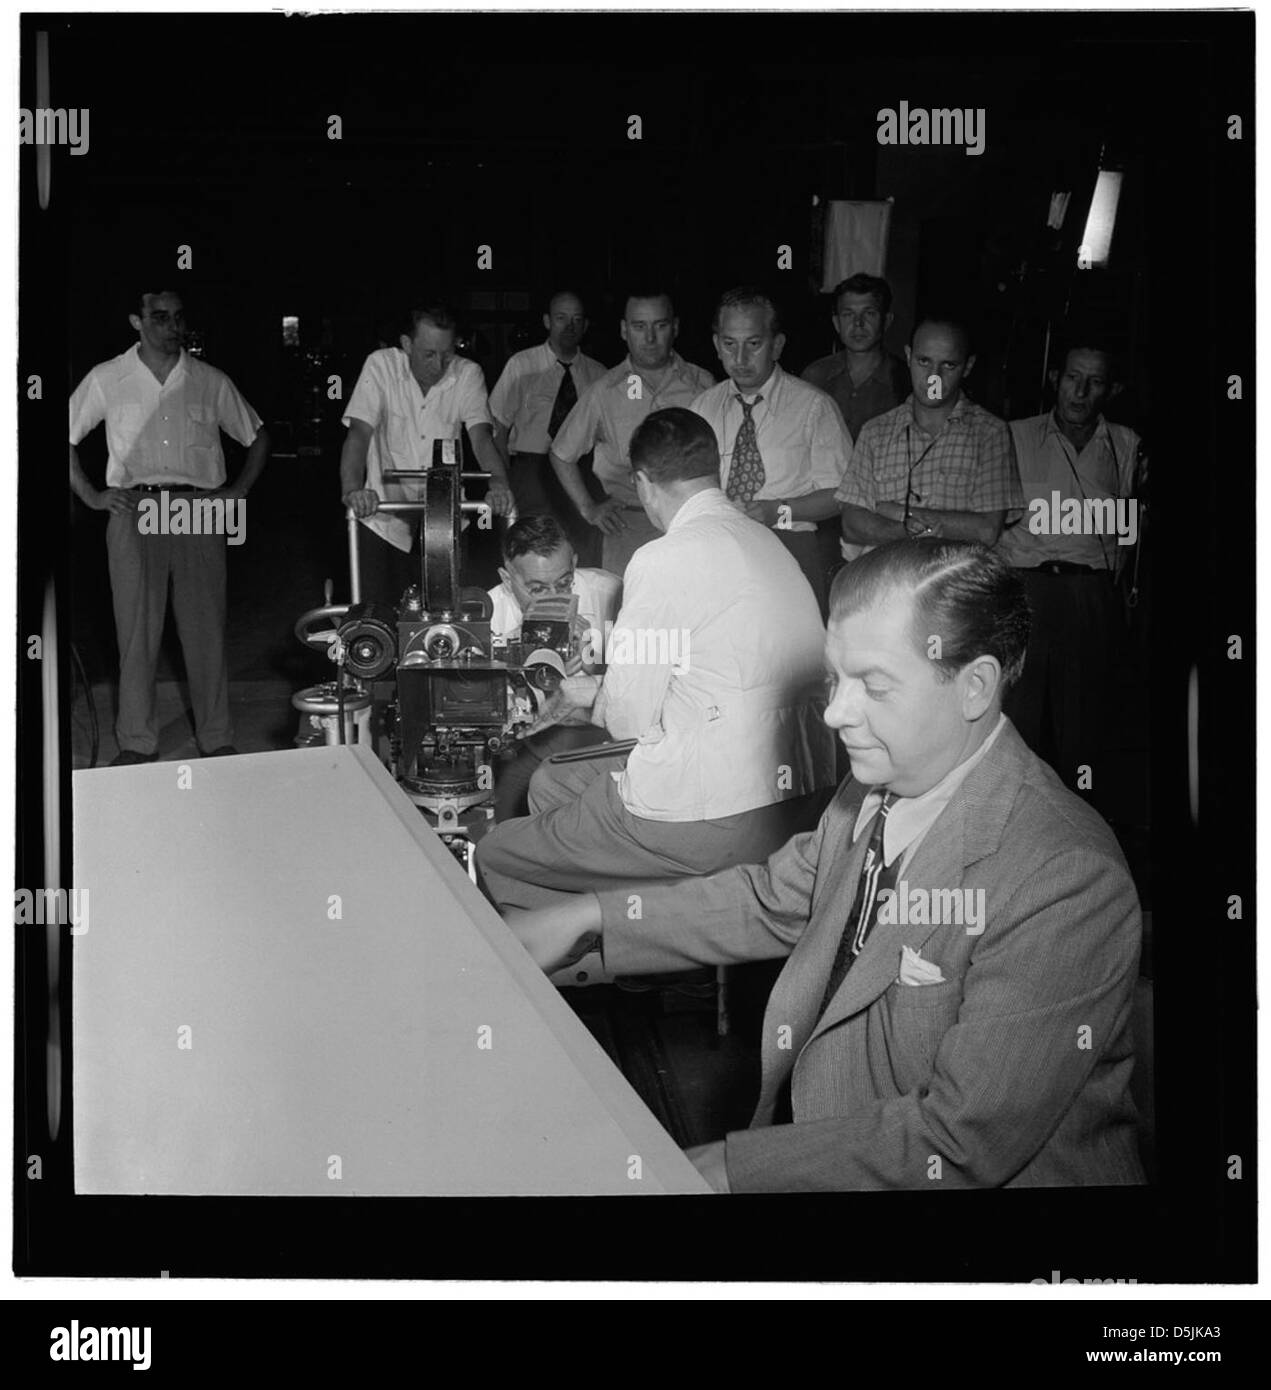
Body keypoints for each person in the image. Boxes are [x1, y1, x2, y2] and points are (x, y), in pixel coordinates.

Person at [503, 541, 1145, 1193]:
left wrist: (728, 1166)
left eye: (874, 685)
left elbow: (958, 1142)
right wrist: (587, 915)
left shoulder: (1064, 879)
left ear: (974, 686)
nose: (835, 713)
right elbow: (770, 901)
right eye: (835, 678)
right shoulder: (872, 789)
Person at [476, 407, 836, 913]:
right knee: (554, 782)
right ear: (717, 472)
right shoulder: (770, 543)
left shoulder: (662, 558)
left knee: (496, 854)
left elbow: (627, 721)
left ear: (643, 483)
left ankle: (620, 934)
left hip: (722, 812)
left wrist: (584, 697)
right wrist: (587, 694)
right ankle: (650, 936)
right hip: (804, 799)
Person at [69, 289, 270, 764]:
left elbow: (258, 437)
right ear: (136, 322)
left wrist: (237, 490)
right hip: (134, 510)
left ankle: (216, 736)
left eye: (178, 318)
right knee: (136, 632)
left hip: (199, 509)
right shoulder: (108, 378)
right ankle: (137, 742)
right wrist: (92, 495)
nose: (171, 327)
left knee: (204, 630)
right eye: (159, 317)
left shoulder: (208, 380)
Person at [998, 341, 1143, 805]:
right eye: (1072, 378)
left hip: (1089, 593)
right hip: (1026, 586)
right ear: (1055, 379)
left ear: (1112, 389)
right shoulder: (1012, 435)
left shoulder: (1126, 444)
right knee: (1016, 720)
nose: (1080, 391)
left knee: (1084, 728)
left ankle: (1079, 833)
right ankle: (1013, 823)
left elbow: (1129, 532)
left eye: (1095, 381)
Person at [690, 286, 854, 614]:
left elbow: (841, 494)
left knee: (789, 654)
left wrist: (777, 511)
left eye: (754, 344)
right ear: (716, 345)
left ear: (776, 345)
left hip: (789, 547)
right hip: (718, 548)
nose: (740, 359)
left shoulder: (813, 407)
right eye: (729, 344)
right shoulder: (702, 407)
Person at [339, 301, 514, 607]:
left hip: (445, 522)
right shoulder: (380, 366)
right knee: (376, 616)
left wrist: (498, 483)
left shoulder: (468, 373)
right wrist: (352, 490)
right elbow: (359, 434)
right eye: (429, 354)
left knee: (446, 617)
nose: (438, 365)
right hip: (382, 516)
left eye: (447, 354)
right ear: (407, 344)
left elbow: (481, 438)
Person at [548, 291, 714, 577]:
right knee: (629, 615)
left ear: (675, 327)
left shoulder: (703, 385)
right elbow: (562, 454)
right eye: (639, 326)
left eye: (659, 326)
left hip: (692, 524)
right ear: (625, 330)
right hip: (628, 527)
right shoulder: (605, 391)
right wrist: (589, 508)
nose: (650, 338)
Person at [837, 317, 1023, 560]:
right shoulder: (875, 432)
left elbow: (987, 530)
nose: (933, 377)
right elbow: (852, 524)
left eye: (948, 365)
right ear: (908, 356)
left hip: (954, 580)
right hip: (887, 577)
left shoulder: (990, 433)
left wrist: (891, 511)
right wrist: (908, 531)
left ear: (967, 367)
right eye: (924, 361)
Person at [488, 514, 622, 821]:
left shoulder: (612, 594)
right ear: (508, 580)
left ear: (574, 564)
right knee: (506, 825)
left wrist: (599, 663)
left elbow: (645, 693)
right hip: (530, 741)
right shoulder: (491, 615)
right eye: (537, 589)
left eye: (564, 583)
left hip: (602, 739)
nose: (555, 598)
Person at [488, 290, 607, 562]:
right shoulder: (521, 365)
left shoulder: (600, 374)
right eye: (561, 318)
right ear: (547, 321)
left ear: (585, 325)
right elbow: (498, 428)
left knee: (578, 548)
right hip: (531, 472)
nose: (570, 326)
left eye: (577, 319)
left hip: (580, 472)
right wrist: (503, 482)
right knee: (528, 549)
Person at [802, 273, 910, 444]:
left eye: (869, 313)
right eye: (848, 315)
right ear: (837, 323)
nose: (858, 323)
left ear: (886, 321)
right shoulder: (815, 376)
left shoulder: (905, 381)